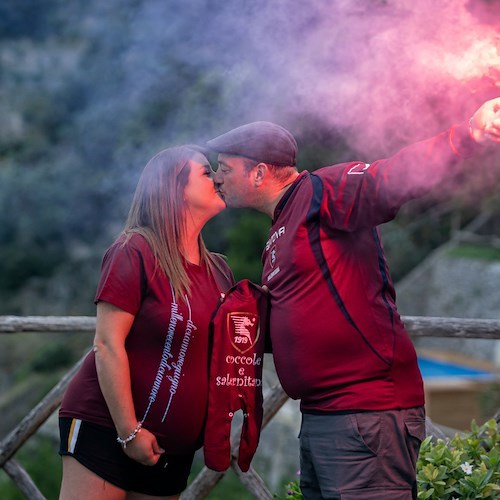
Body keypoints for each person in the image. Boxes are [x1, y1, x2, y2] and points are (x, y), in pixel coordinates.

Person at [206, 97, 500, 499]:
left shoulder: (323, 189)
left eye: (224, 168)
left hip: (364, 413)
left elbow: (390, 179)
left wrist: (467, 135)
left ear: (258, 173)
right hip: (324, 415)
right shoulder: (280, 230)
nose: (217, 178)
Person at [58, 145, 234, 499]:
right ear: (172, 189)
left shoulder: (219, 270)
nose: (217, 176)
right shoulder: (134, 250)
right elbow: (107, 344)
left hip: (172, 450)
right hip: (108, 428)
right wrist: (129, 432)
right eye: (205, 172)